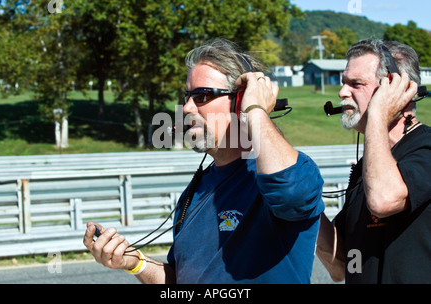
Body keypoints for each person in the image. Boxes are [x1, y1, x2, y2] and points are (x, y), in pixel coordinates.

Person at [84, 38, 325, 283]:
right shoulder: (196, 190)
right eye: (187, 96)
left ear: (240, 101)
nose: (187, 108)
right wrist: (135, 263)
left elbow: (290, 192)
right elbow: (182, 279)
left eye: (201, 96)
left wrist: (256, 111)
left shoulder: (293, 172)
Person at [316, 38, 431, 283]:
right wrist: (304, 204)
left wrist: (378, 112)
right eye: (343, 82)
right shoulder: (367, 167)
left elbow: (384, 200)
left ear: (397, 90)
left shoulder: (427, 147)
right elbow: (340, 267)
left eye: (356, 84)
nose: (342, 93)